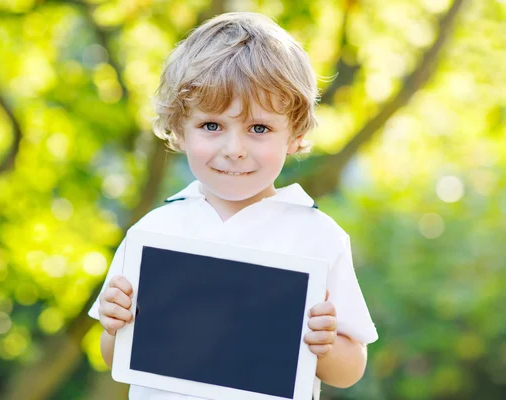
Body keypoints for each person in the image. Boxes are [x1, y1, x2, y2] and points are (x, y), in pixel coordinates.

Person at [87, 11, 378, 400]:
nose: (234, 150)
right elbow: (115, 357)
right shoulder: (153, 232)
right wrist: (114, 324)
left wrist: (324, 345)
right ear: (179, 128)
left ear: (294, 135)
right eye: (212, 126)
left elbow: (350, 368)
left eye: (259, 128)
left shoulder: (318, 238)